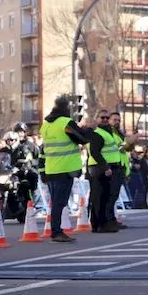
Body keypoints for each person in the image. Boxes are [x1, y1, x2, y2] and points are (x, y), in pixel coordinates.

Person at [39, 95, 90, 243]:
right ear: (66, 109)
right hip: (65, 168)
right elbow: (81, 138)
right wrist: (88, 129)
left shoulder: (46, 124)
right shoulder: (65, 123)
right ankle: (56, 232)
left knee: (56, 202)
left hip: (51, 168)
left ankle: (56, 230)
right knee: (60, 202)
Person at [87, 110, 121, 233]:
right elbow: (95, 152)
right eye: (102, 117)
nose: (105, 120)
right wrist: (105, 167)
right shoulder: (98, 133)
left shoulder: (107, 132)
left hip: (105, 167)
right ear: (97, 118)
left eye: (107, 118)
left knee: (104, 196)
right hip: (100, 168)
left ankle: (100, 224)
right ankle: (101, 224)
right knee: (100, 198)